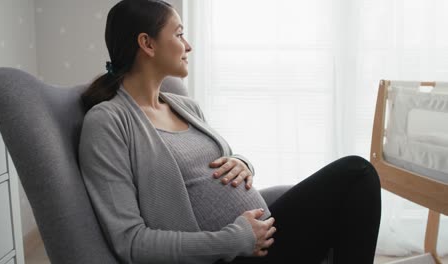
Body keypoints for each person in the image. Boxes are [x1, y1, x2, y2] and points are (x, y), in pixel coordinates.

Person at [78, 0, 382, 263]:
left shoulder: (184, 106)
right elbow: (130, 242)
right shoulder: (108, 122)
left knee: (353, 190)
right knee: (357, 174)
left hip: (259, 239)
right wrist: (234, 239)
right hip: (227, 255)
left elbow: (214, 167)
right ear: (147, 44)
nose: (188, 45)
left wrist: (242, 163)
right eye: (179, 34)